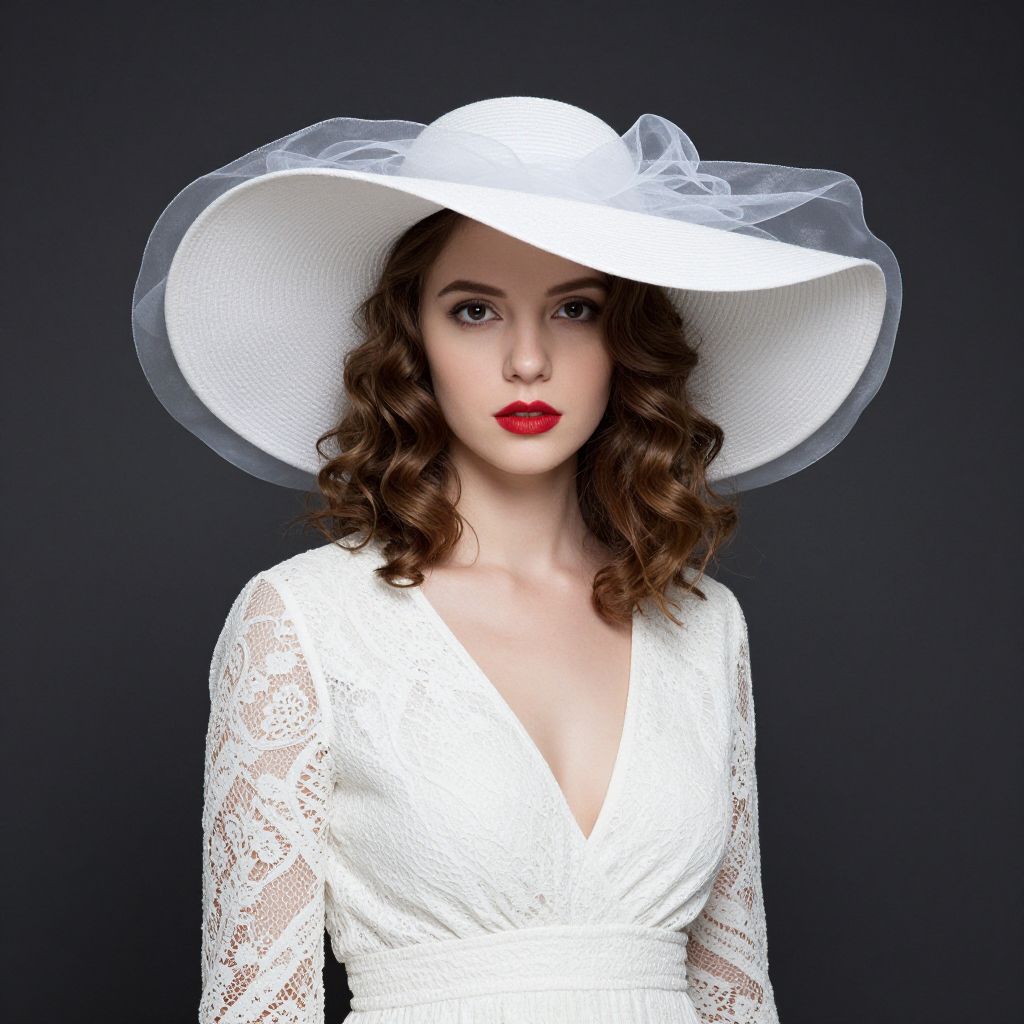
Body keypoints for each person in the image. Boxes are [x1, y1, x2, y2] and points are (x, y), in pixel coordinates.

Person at [132, 96, 901, 1023]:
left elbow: (738, 994)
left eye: (575, 309)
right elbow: (259, 1005)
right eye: (475, 311)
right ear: (413, 341)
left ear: (627, 344)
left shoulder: (702, 624)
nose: (528, 359)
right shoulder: (301, 622)